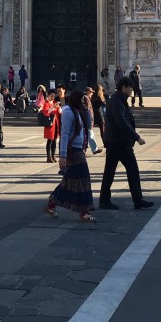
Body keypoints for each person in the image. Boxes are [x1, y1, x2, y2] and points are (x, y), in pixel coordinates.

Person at [98, 77, 153, 210]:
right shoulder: (116, 102)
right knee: (111, 172)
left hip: (120, 142)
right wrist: (137, 137)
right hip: (117, 142)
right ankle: (105, 200)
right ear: (124, 88)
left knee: (131, 170)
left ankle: (137, 200)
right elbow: (121, 122)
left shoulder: (119, 100)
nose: (131, 90)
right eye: (130, 88)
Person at [44, 89, 96, 222]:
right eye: (82, 100)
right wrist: (62, 156)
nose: (84, 103)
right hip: (73, 152)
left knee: (69, 182)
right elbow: (65, 134)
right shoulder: (68, 112)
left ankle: (51, 205)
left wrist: (85, 109)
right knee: (83, 180)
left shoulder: (77, 110)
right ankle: (84, 212)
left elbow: (88, 125)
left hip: (78, 150)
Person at [42, 89, 60, 162]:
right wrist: (53, 107)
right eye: (51, 96)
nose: (52, 97)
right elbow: (46, 112)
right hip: (50, 124)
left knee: (55, 139)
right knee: (50, 140)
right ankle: (48, 156)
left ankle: (53, 155)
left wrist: (59, 108)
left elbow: (59, 111)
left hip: (56, 123)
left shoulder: (55, 102)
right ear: (48, 96)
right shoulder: (46, 103)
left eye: (53, 96)